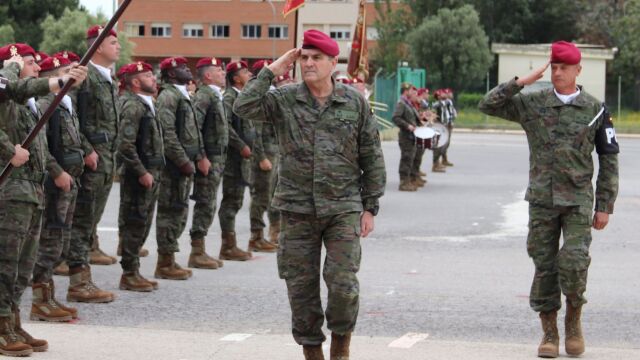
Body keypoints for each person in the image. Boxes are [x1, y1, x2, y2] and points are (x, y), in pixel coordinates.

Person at [234, 29, 386, 360]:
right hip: (296, 208)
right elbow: (243, 106)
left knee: (343, 283)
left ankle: (341, 345)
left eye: (317, 58)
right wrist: (273, 69)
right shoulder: (284, 99)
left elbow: (371, 155)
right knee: (300, 288)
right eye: (304, 57)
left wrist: (370, 206)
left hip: (342, 207)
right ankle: (313, 353)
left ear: (334, 62)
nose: (309, 63)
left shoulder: (353, 102)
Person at [478, 41, 619, 358]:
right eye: (554, 67)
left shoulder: (595, 109)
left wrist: (605, 205)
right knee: (544, 266)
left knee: (573, 261)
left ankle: (573, 322)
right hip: (542, 198)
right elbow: (488, 105)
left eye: (564, 68)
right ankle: (550, 333)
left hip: (578, 200)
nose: (557, 73)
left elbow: (609, 158)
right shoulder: (533, 104)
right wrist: (520, 82)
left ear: (578, 71)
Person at [0, 43, 87, 356]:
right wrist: (9, 150)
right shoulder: (5, 90)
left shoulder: (24, 103)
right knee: (5, 264)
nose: (38, 66)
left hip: (32, 189)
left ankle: (12, 321)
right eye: (30, 62)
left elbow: (39, 147)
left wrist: (61, 83)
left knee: (23, 266)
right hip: (10, 189)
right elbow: (12, 85)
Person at [31, 55, 89, 322]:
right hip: (55, 183)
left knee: (61, 241)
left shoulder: (66, 102)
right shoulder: (47, 102)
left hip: (70, 181)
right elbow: (39, 145)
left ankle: (49, 296)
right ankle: (40, 301)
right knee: (50, 241)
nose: (72, 74)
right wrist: (57, 172)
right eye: (66, 71)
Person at [66, 25, 119, 304]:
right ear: (97, 46)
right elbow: (67, 112)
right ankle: (78, 281)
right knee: (83, 221)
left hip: (106, 158)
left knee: (91, 221)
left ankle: (82, 276)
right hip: (91, 159)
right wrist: (86, 148)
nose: (118, 47)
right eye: (112, 42)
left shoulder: (109, 78)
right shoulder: (83, 76)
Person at [155, 56, 209, 280]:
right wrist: (183, 160)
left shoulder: (182, 95)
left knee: (179, 209)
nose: (188, 70)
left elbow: (191, 131)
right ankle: (165, 262)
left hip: (185, 163)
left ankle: (170, 259)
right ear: (171, 74)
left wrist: (199, 156)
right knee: (170, 211)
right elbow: (166, 133)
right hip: (173, 166)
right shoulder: (168, 96)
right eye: (182, 68)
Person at [116, 61, 164, 291]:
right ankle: (129, 273)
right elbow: (125, 145)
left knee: (142, 222)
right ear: (135, 82)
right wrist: (142, 171)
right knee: (134, 222)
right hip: (138, 175)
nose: (153, 78)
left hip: (150, 172)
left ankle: (134, 270)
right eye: (147, 75)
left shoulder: (146, 103)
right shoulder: (133, 106)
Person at [188, 57, 228, 269]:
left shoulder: (215, 95)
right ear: (208, 75)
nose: (223, 73)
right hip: (208, 158)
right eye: (218, 70)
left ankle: (200, 249)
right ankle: (196, 251)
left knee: (210, 201)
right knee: (205, 202)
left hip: (217, 158)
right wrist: (201, 156)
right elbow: (194, 127)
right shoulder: (204, 96)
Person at [217, 60, 256, 260]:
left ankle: (231, 245)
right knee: (231, 201)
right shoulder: (230, 98)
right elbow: (226, 127)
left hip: (244, 159)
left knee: (237, 199)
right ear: (235, 78)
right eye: (244, 72)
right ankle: (227, 246)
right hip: (234, 158)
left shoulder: (242, 96)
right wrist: (241, 146)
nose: (249, 74)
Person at [247, 59, 279, 252]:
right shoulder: (256, 94)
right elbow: (254, 131)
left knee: (272, 194)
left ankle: (273, 231)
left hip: (273, 150)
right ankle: (256, 236)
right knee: (260, 196)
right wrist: (260, 157)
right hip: (264, 153)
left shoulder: (269, 91)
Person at [392, 82, 422, 191]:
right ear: (406, 91)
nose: (413, 92)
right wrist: (408, 126)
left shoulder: (407, 103)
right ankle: (403, 183)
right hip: (405, 136)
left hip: (411, 136)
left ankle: (408, 180)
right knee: (406, 159)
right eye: (411, 90)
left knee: (410, 159)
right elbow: (396, 118)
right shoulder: (402, 103)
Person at [431, 89, 451, 172]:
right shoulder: (436, 105)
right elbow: (433, 115)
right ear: (438, 97)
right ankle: (435, 165)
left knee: (444, 145)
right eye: (441, 94)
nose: (444, 94)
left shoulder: (444, 103)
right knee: (438, 146)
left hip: (444, 125)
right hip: (438, 126)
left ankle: (438, 162)